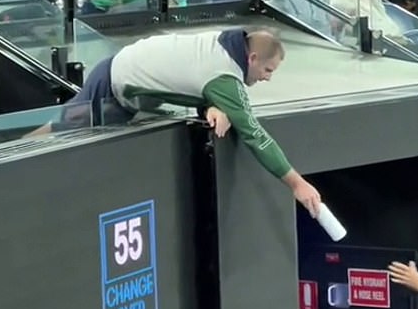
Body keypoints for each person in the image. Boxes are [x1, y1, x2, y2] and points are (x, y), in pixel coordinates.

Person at [61, 26, 323, 213]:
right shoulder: (225, 77)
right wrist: (297, 184)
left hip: (126, 85)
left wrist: (212, 104)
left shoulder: (222, 42)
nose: (268, 78)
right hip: (112, 83)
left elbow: (195, 75)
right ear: (252, 58)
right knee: (56, 130)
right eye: (267, 70)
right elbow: (256, 135)